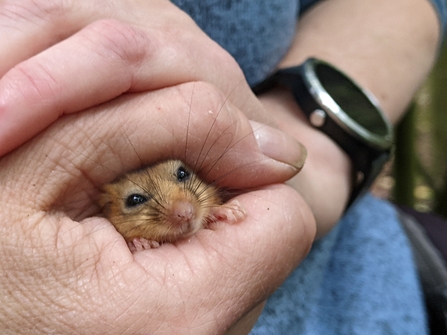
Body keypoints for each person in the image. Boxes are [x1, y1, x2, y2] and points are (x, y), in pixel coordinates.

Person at [0, 0, 444, 333]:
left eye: (182, 176)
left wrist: (318, 144)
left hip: (370, 288)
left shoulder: (206, 194)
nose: (180, 208)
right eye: (136, 201)